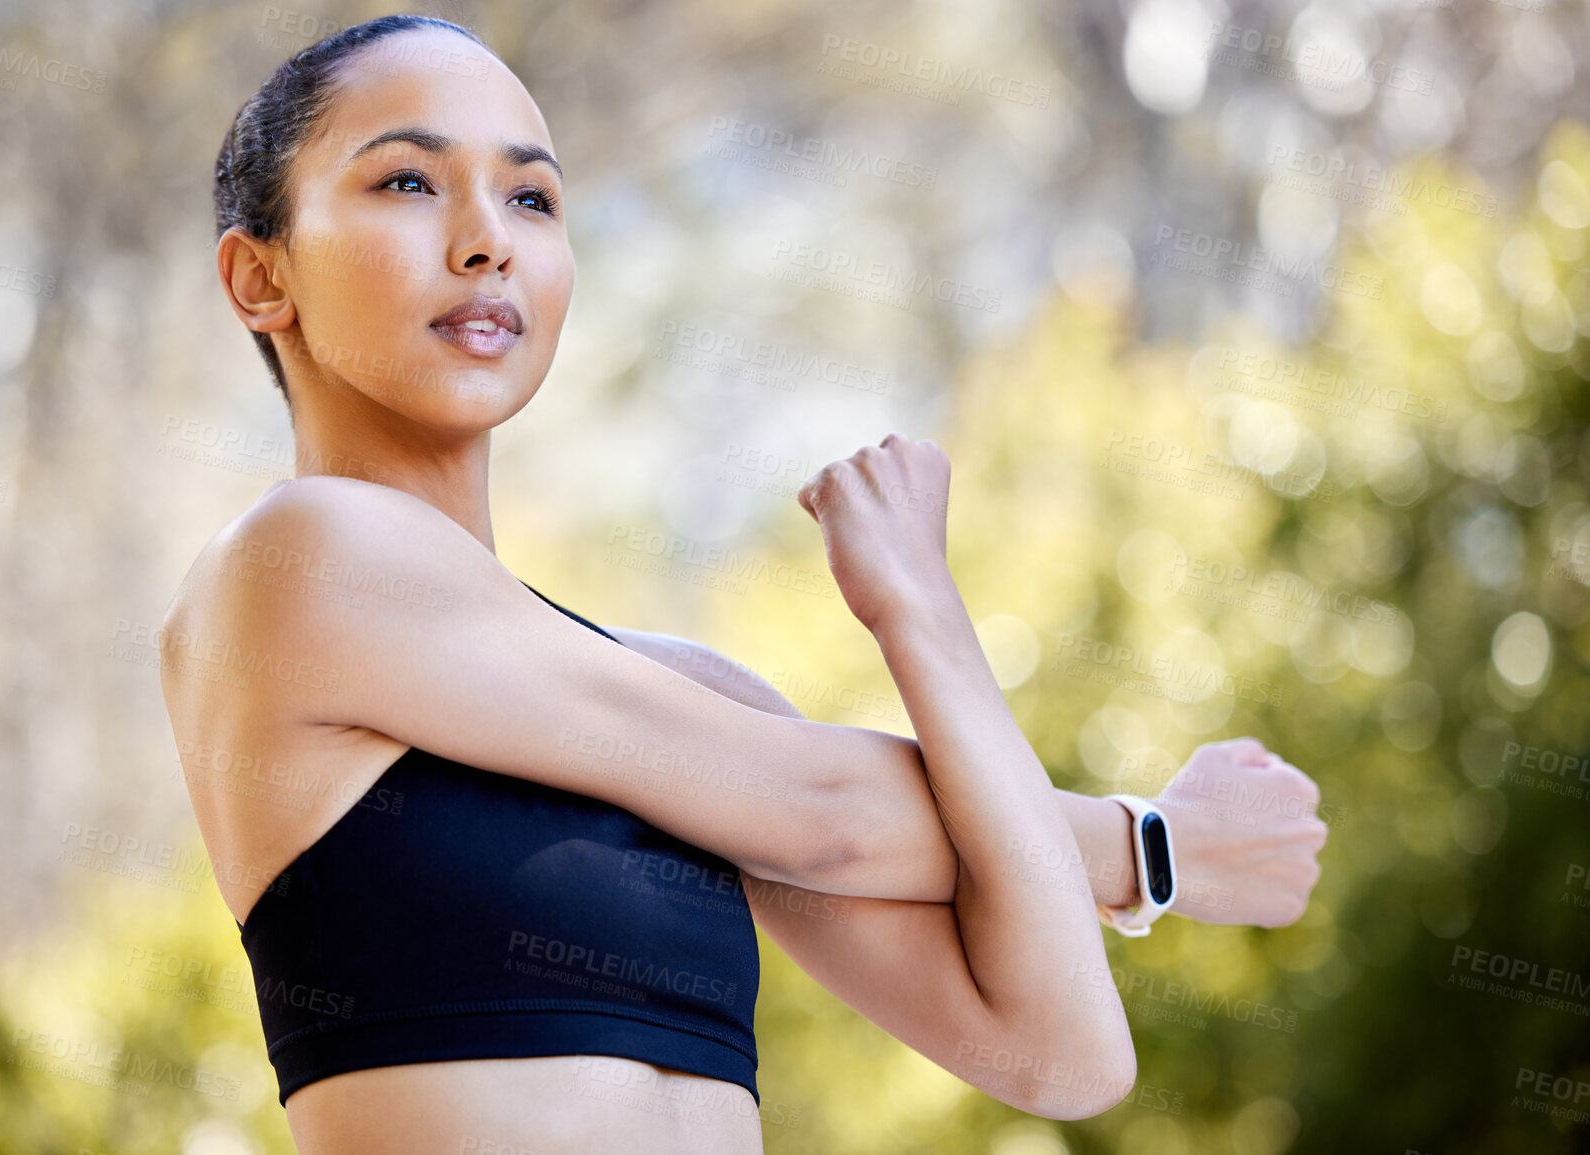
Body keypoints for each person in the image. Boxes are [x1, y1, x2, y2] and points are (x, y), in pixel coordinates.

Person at [160, 14, 1328, 1153]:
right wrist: (1153, 841)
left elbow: (1060, 1054)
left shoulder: (686, 689)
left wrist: (920, 608)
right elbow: (822, 818)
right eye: (408, 183)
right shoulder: (298, 564)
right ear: (261, 276)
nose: (486, 241)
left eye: (532, 197)